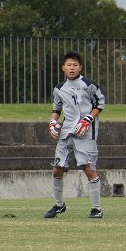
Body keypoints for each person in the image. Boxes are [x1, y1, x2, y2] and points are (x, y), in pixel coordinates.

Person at [45, 51, 106, 219]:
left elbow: (100, 104)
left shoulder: (89, 85)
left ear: (80, 67)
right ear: (63, 68)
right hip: (66, 133)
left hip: (86, 133)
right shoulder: (59, 88)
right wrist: (53, 121)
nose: (72, 68)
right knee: (57, 169)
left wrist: (88, 119)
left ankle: (96, 209)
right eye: (69, 65)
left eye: (75, 65)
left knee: (89, 168)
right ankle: (59, 205)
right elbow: (57, 108)